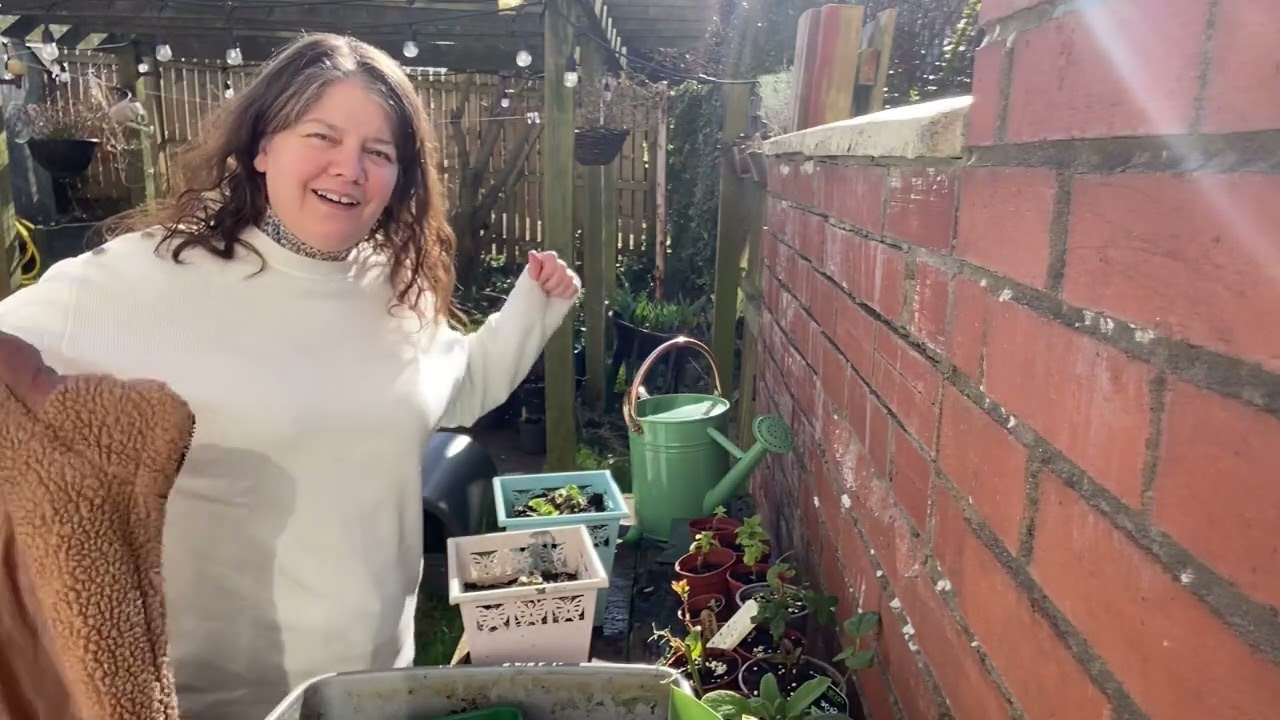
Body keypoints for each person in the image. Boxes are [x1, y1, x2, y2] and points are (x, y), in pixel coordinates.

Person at [0, 33, 580, 720]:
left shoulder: (394, 288)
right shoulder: (145, 278)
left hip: (372, 689)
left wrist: (533, 308)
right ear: (262, 147)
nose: (350, 169)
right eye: (323, 136)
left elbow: (462, 387)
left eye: (379, 152)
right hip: (212, 700)